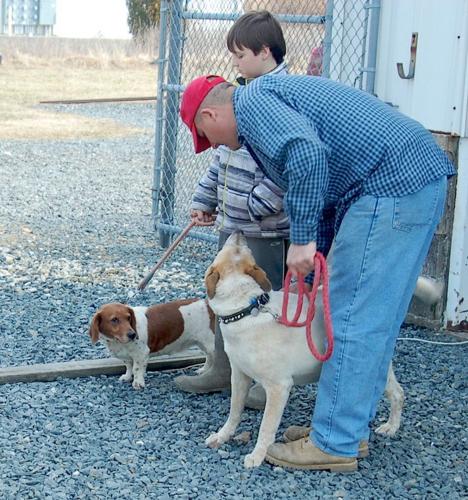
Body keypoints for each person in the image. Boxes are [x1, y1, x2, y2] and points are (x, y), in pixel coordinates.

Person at [179, 73, 455, 471]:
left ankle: (335, 442)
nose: (215, 146)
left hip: (390, 184)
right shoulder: (264, 109)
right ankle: (345, 428)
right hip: (393, 185)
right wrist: (311, 271)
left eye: (209, 136)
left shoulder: (254, 104)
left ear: (210, 112)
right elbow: (323, 194)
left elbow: (308, 157)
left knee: (352, 317)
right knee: (354, 311)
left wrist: (304, 241)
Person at [174, 11, 289, 409]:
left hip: (265, 230)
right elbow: (218, 163)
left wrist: (253, 208)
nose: (235, 64)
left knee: (261, 303)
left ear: (264, 51)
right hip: (234, 224)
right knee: (225, 297)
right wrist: (204, 201)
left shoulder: (276, 99)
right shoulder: (240, 99)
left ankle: (264, 377)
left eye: (240, 55)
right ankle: (224, 367)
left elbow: (283, 171)